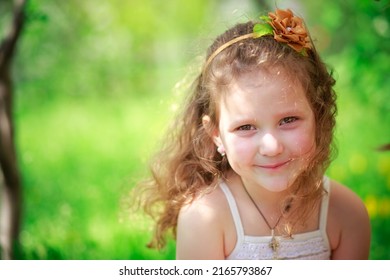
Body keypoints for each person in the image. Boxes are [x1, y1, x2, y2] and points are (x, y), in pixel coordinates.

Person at [136, 8, 371, 259]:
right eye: (245, 127)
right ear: (216, 135)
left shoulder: (346, 213)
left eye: (288, 120)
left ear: (318, 116)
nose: (271, 146)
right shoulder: (205, 216)